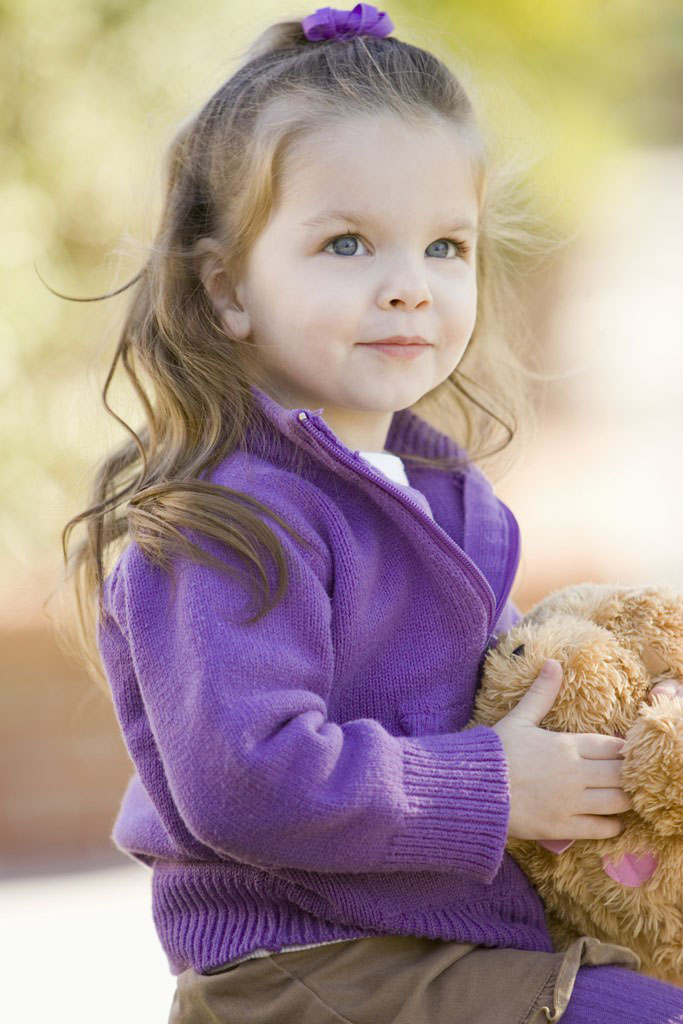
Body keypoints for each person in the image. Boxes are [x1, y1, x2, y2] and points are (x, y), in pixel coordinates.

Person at [60, 4, 683, 1022]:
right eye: (346, 244)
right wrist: (495, 787)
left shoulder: (446, 499)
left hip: (448, 940)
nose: (407, 287)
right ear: (227, 291)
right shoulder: (225, 521)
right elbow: (250, 781)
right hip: (307, 962)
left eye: (444, 246)